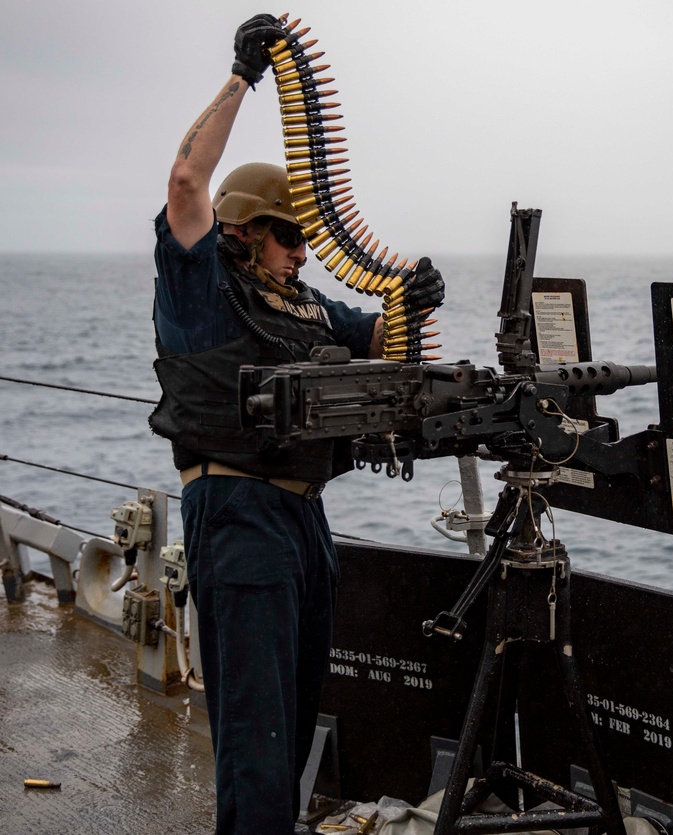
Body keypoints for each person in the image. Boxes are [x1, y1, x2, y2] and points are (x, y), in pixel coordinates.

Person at [148, 14, 444, 834]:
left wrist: (412, 294)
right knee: (256, 741)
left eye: (306, 236)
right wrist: (243, 77)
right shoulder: (202, 287)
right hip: (238, 516)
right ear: (243, 232)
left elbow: (385, 336)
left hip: (304, 517)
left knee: (291, 727)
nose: (302, 251)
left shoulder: (307, 303)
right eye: (288, 235)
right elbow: (183, 181)